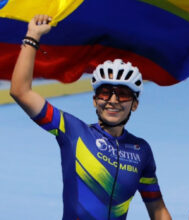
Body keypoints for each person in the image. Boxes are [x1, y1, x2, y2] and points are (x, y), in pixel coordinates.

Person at [10, 15, 172, 220]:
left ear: (135, 104)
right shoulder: (72, 130)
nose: (113, 100)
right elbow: (20, 91)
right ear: (95, 100)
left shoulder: (141, 151)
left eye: (122, 94)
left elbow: (157, 209)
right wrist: (32, 36)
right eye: (105, 92)